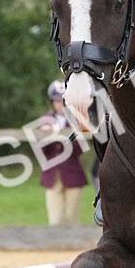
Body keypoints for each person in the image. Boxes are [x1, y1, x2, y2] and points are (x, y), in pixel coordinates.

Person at [37, 80, 88, 226]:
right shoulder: (45, 120)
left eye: (62, 101)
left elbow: (80, 149)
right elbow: (41, 150)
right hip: (52, 176)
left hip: (72, 174)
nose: (60, 104)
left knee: (72, 220)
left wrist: (59, 135)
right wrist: (47, 136)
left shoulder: (77, 120)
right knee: (55, 221)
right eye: (57, 101)